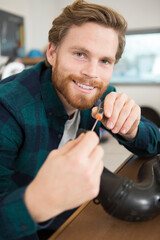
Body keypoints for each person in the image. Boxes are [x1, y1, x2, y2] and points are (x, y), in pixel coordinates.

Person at [0, 1, 159, 239]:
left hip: (76, 215)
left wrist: (133, 129)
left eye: (105, 61)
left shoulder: (100, 93)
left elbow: (155, 141)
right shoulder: (8, 108)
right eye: (80, 54)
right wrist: (36, 202)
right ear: (52, 53)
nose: (92, 73)